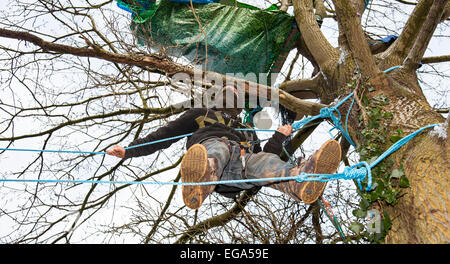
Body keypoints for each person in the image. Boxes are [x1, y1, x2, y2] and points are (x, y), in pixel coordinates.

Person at [107, 86, 341, 210]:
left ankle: (302, 181)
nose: (232, 96)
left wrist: (279, 137)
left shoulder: (245, 127)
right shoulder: (200, 114)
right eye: (227, 92)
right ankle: (200, 180)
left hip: (239, 169)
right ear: (217, 97)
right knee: (218, 148)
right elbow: (164, 135)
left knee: (264, 164)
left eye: (236, 95)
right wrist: (130, 150)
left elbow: (265, 157)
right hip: (213, 157)